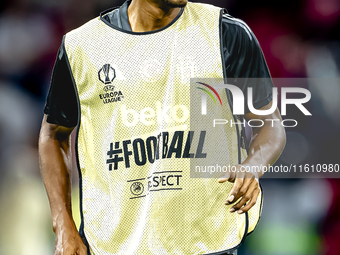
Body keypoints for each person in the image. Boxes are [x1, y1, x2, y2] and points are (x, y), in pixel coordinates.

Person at [39, 0, 286, 254]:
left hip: (209, 242)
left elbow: (271, 123)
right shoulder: (82, 47)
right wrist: (63, 225)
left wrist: (253, 166)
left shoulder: (225, 33)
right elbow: (53, 136)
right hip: (116, 244)